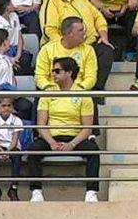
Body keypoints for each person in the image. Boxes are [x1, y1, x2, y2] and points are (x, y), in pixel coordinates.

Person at [29, 56, 101, 202]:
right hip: (52, 136)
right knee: (33, 149)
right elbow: (41, 124)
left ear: (69, 73)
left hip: (75, 137)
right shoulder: (48, 92)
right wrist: (51, 142)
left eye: (57, 71)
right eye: (52, 71)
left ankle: (91, 192)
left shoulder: (83, 94)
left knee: (93, 150)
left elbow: (87, 127)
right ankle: (36, 191)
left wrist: (72, 144)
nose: (53, 74)